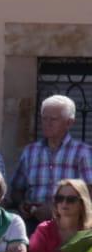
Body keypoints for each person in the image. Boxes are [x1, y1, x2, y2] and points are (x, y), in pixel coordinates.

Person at [11, 95, 92, 223]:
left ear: (69, 123)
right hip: (34, 222)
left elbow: (89, 193)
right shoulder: (30, 152)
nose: (47, 124)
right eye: (44, 118)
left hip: (69, 222)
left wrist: (55, 209)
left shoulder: (82, 153)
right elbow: (16, 189)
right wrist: (22, 205)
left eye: (53, 119)